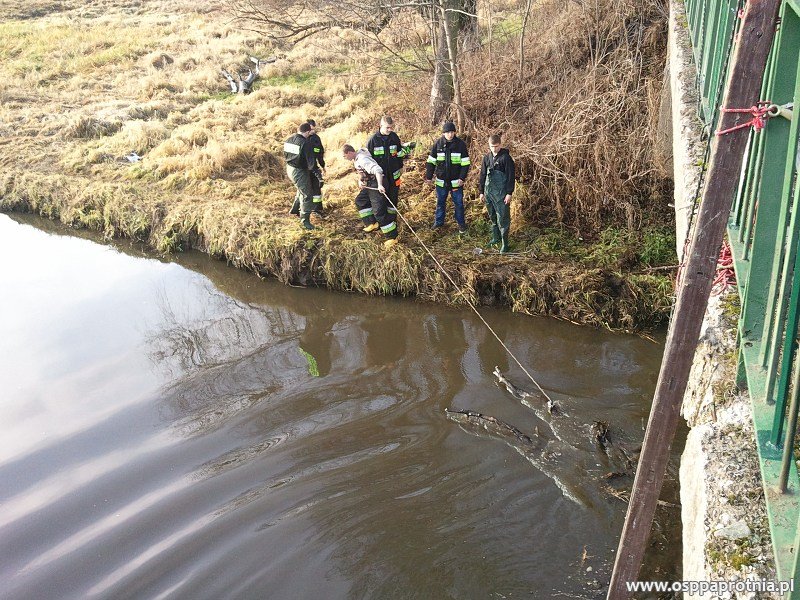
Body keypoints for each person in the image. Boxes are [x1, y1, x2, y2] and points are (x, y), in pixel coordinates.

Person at [342, 144, 399, 247]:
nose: (345, 158)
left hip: (377, 182)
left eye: (345, 156)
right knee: (360, 201)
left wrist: (380, 185)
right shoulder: (356, 159)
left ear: (349, 153)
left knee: (379, 212)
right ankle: (372, 223)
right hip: (369, 183)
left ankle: (392, 237)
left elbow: (377, 170)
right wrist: (360, 180)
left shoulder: (362, 159)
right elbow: (362, 172)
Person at [366, 115, 415, 227]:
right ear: (380, 125)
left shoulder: (394, 137)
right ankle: (383, 222)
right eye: (387, 127)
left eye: (391, 127)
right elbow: (368, 161)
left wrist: (401, 167)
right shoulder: (373, 140)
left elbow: (399, 154)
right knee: (380, 200)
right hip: (380, 177)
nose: (390, 130)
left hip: (394, 175)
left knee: (393, 198)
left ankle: (393, 221)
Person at [424, 121, 471, 234]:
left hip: (456, 182)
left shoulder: (460, 145)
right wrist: (429, 177)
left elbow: (465, 163)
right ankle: (438, 222)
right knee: (440, 203)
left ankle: (461, 224)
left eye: (452, 132)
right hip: (441, 181)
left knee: (459, 204)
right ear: (443, 133)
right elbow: (431, 162)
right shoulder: (437, 144)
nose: (450, 134)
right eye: (448, 132)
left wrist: (462, 178)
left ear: (455, 132)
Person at [478, 133, 516, 253]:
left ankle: (505, 244)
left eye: (496, 146)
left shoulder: (506, 158)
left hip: (501, 194)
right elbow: (482, 175)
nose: (494, 149)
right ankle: (496, 237)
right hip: (488, 193)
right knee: (493, 216)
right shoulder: (486, 158)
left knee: (503, 218)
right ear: (488, 145)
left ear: (500, 145)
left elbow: (511, 176)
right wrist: (481, 192)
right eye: (492, 146)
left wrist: (509, 193)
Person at [284, 122, 317, 230]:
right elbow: (311, 162)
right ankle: (305, 221)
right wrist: (317, 174)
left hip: (289, 168)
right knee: (307, 195)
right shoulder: (305, 143)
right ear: (307, 132)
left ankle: (294, 210)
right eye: (310, 132)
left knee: (300, 189)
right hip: (299, 171)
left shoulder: (289, 139)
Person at [307, 118, 326, 217]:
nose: (312, 131)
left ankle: (316, 209)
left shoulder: (316, 138)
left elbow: (320, 153)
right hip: (304, 169)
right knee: (305, 189)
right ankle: (303, 208)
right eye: (310, 129)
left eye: (313, 129)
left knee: (317, 187)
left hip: (314, 167)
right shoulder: (301, 139)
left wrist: (322, 165)